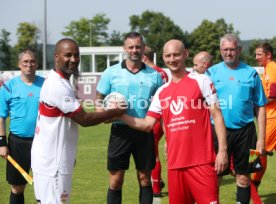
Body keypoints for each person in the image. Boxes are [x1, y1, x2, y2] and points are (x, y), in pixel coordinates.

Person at [119, 39, 228, 204]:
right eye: (168, 56)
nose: (172, 59)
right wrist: (118, 115)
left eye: (176, 54)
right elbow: (147, 124)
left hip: (202, 162)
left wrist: (222, 151)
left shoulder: (201, 80)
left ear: (185, 54)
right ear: (163, 58)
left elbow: (217, 114)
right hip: (175, 165)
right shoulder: (162, 92)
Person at [31, 38, 126, 204]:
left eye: (76, 55)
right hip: (53, 164)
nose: (73, 59)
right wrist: (115, 111)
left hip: (52, 160)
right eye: (68, 55)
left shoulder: (60, 82)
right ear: (56, 57)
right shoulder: (57, 85)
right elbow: (84, 119)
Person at [95, 32, 163, 204]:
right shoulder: (111, 73)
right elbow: (99, 99)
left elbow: (161, 104)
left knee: (145, 179)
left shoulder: (154, 76)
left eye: (138, 47)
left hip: (144, 132)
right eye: (131, 47)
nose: (135, 50)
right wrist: (104, 115)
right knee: (116, 180)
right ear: (124, 48)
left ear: (143, 48)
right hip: (119, 132)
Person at [206, 33, 267, 204]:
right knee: (214, 176)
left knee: (244, 177)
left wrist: (261, 139)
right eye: (225, 49)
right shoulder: (211, 73)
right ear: (220, 51)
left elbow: (260, 106)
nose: (228, 53)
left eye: (232, 49)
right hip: (217, 132)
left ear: (239, 50)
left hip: (246, 132)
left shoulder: (251, 73)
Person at [0, 48, 45, 204]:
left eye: (32, 61)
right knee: (17, 187)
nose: (29, 64)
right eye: (25, 61)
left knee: (45, 185)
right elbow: (1, 117)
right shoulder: (8, 87)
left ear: (37, 63)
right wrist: (2, 143)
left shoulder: (46, 85)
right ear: (19, 64)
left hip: (43, 142)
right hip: (17, 143)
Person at [142, 45, 168, 197]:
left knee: (153, 154)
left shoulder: (151, 73)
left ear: (144, 57)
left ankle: (156, 189)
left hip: (154, 117)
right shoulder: (163, 72)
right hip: (163, 116)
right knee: (153, 151)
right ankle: (158, 181)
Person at [251, 42, 276, 190]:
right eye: (255, 54)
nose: (256, 57)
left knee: (260, 150)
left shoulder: (272, 67)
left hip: (272, 117)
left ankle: (253, 185)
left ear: (268, 55)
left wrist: (254, 103)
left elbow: (273, 94)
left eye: (259, 54)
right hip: (270, 116)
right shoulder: (268, 68)